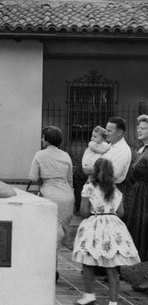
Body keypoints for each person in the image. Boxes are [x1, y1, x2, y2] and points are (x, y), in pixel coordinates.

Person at [72, 158, 140, 305]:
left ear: (95, 172)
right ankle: (113, 302)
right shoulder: (116, 190)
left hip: (93, 226)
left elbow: (83, 212)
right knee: (112, 266)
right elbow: (121, 212)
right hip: (113, 227)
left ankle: (89, 295)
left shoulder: (89, 187)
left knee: (88, 261)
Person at [29, 125, 74, 282]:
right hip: (67, 196)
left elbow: (33, 176)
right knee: (59, 233)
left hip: (50, 194)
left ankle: (51, 269)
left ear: (47, 139)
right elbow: (70, 178)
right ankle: (53, 267)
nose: (42, 140)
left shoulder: (40, 155)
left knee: (50, 234)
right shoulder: (66, 155)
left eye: (43, 137)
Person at [123, 115, 148, 264]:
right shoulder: (142, 149)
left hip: (145, 194)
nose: (139, 130)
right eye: (138, 127)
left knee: (143, 229)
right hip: (137, 194)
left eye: (143, 128)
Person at [102, 116, 131, 184]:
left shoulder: (123, 150)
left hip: (109, 189)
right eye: (106, 130)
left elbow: (113, 175)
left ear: (120, 132)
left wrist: (92, 171)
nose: (105, 133)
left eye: (109, 131)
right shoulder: (109, 145)